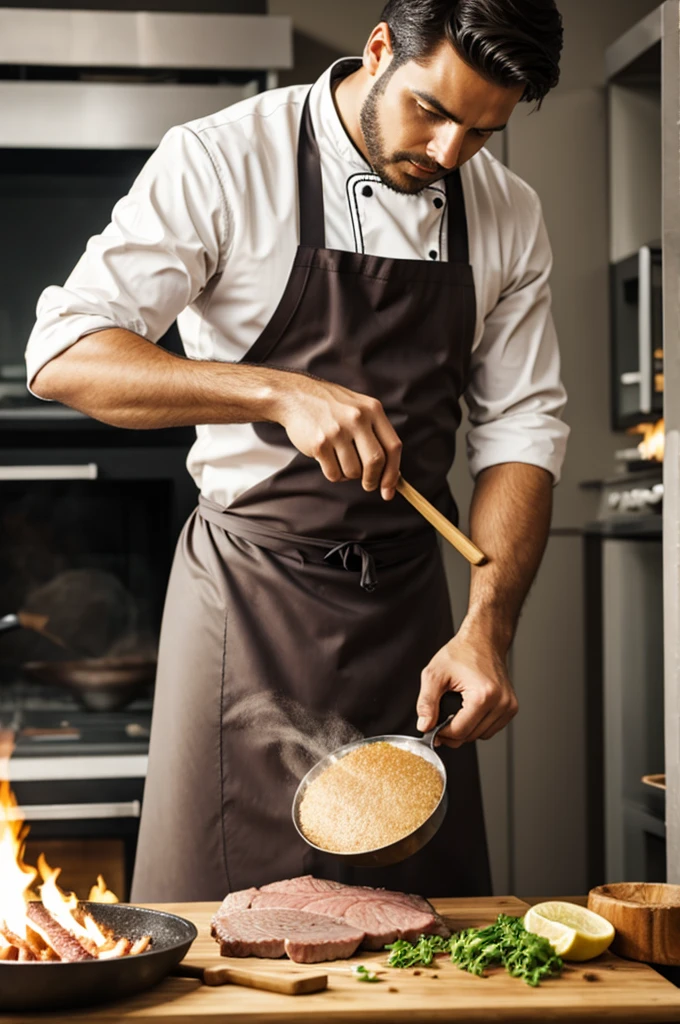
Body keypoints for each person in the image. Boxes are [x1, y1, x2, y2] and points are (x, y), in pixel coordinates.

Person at [27, 0, 568, 902]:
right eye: (431, 111)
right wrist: (276, 389)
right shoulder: (226, 159)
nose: (446, 156)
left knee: (424, 939)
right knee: (212, 934)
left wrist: (487, 628)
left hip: (411, 624)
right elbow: (65, 355)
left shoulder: (509, 213)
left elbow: (522, 430)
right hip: (247, 603)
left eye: (481, 132)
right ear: (380, 48)